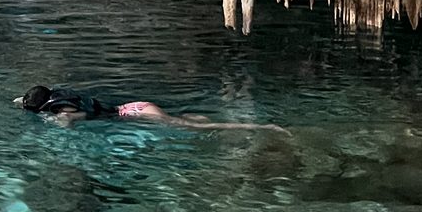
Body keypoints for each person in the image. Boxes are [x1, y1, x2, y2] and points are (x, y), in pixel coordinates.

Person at [17, 84, 278, 130]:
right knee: (180, 121)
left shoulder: (63, 109)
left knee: (189, 127)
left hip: (135, 113)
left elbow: (74, 117)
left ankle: (258, 125)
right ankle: (196, 117)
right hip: (135, 107)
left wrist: (58, 123)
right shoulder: (60, 95)